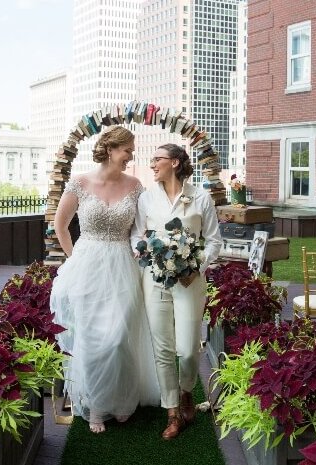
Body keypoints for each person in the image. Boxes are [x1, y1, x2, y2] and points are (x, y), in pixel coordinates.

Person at [50, 126, 159, 434]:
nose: (131, 155)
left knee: (119, 336)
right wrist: (74, 260)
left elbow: (142, 227)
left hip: (123, 265)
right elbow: (60, 225)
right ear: (112, 149)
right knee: (93, 338)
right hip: (87, 265)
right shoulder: (80, 183)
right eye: (128, 150)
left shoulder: (136, 185)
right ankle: (96, 403)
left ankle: (123, 400)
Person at [131, 143, 222, 440]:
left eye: (156, 159)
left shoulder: (201, 197)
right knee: (163, 349)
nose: (152, 164)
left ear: (174, 162)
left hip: (190, 282)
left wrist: (197, 265)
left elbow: (213, 241)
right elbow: (137, 235)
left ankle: (186, 393)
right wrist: (145, 252)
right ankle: (172, 412)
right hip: (155, 279)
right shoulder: (146, 198)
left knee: (186, 349)